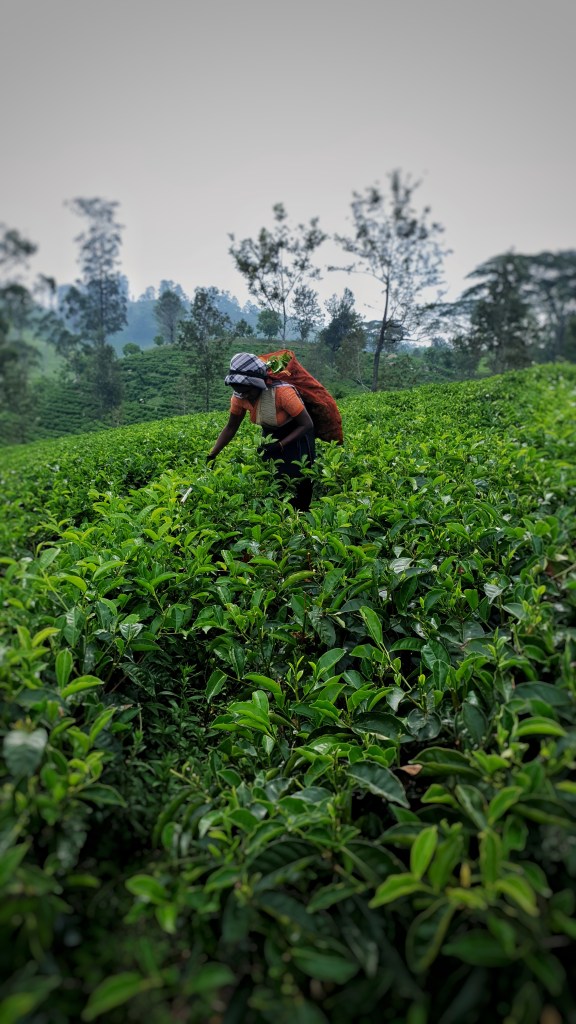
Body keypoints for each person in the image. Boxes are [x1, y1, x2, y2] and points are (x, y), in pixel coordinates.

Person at [207, 352, 316, 511]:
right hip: (271, 436)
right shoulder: (239, 396)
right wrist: (212, 454)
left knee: (298, 484)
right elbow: (231, 427)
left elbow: (307, 424)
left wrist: (280, 446)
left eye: (247, 391)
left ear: (257, 384)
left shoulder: (282, 393)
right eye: (239, 391)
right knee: (272, 480)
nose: (243, 396)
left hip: (297, 437)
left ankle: (302, 520)